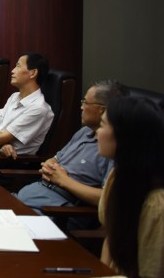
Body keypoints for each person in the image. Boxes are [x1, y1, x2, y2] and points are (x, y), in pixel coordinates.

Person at [15, 80, 127, 228]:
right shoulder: (84, 132)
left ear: (102, 110)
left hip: (55, 211)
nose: (81, 107)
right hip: (28, 196)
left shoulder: (114, 148)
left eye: (85, 102)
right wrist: (50, 164)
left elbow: (108, 199)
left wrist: (63, 180)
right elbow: (56, 158)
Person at [97, 97, 164, 278]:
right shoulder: (117, 177)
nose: (97, 131)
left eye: (102, 125)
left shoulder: (158, 204)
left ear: (124, 136)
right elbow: (111, 238)